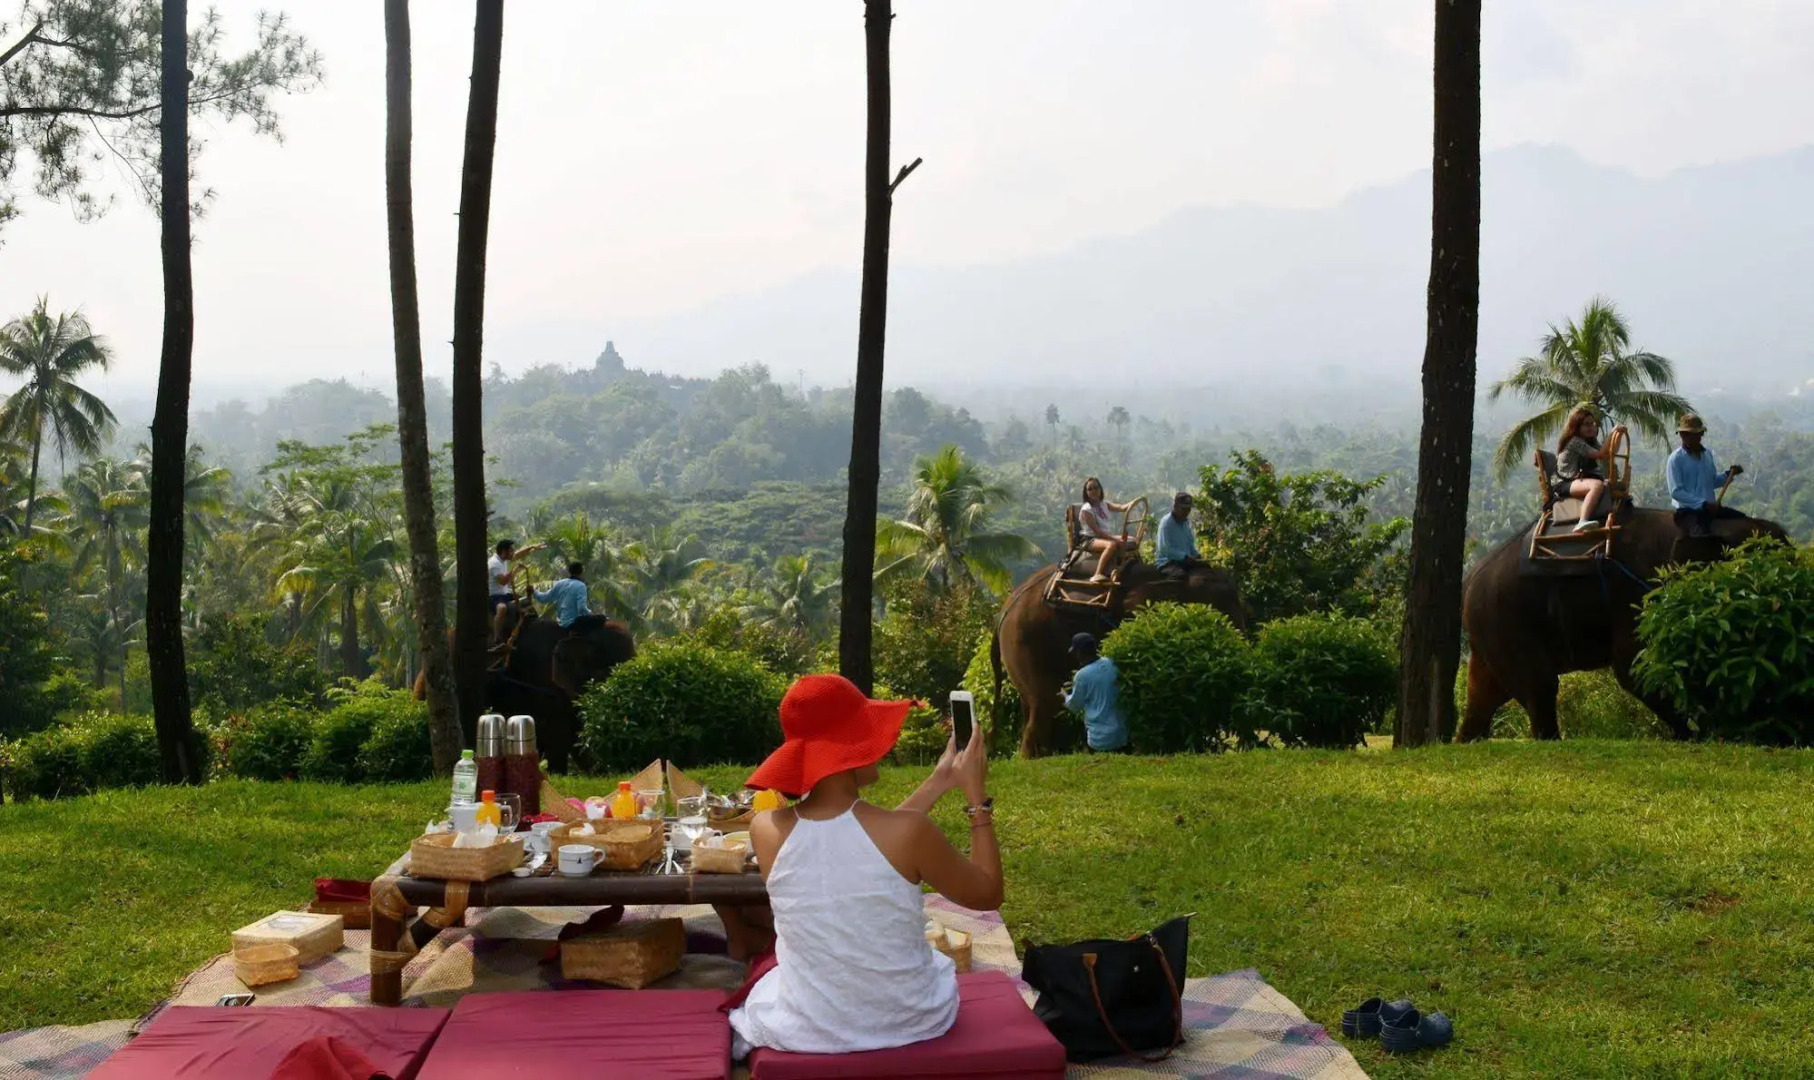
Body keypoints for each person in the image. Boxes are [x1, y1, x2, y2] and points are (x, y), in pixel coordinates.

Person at [722, 674, 1001, 1059]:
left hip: (808, 1025)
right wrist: (977, 797)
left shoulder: (765, 830)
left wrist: (939, 781)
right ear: (852, 746)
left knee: (773, 977)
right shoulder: (908, 834)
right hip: (912, 1020)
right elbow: (987, 892)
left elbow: (864, 846)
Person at [1667, 413, 1746, 538]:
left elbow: (1712, 482)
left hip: (1710, 509)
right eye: (1684, 434)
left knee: (1742, 520)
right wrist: (1703, 504)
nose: (1685, 437)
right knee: (1702, 539)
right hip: (1688, 511)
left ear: (1700, 435)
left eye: (1696, 434)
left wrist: (1728, 475)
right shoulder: (1675, 459)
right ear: (1682, 435)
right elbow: (1676, 492)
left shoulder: (1707, 455)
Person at [1553, 407, 1626, 533]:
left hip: (1576, 480)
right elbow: (1600, 455)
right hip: (1564, 483)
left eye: (1592, 423)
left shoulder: (1591, 441)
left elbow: (1609, 453)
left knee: (1607, 484)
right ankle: (1582, 521)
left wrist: (1617, 436)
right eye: (1586, 424)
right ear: (1577, 427)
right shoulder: (1575, 442)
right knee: (1597, 485)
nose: (1591, 427)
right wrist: (1612, 433)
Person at [1060, 633, 1129, 753]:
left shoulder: (1082, 675)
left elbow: (1075, 706)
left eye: (1075, 652)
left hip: (1100, 740)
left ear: (1080, 652)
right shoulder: (1111, 663)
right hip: (1122, 736)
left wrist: (1065, 696)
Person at [1077, 477, 1134, 583]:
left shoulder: (1104, 504)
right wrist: (1115, 540)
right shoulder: (1086, 509)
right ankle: (1097, 573)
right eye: (1090, 489)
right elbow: (1097, 532)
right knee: (1111, 545)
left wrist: (1132, 503)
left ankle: (1119, 565)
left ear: (1100, 489)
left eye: (1096, 487)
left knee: (1131, 539)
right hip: (1090, 539)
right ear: (1086, 492)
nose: (1093, 491)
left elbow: (1121, 507)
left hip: (1102, 536)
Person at [487, 538, 545, 642]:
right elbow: (503, 581)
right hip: (494, 596)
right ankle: (497, 637)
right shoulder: (494, 563)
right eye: (511, 551)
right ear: (504, 552)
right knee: (502, 609)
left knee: (525, 600)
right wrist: (514, 571)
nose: (513, 553)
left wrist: (532, 547)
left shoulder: (503, 559)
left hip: (505, 594)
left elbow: (519, 554)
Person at [1153, 491, 1202, 579]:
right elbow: (1165, 549)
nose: (1186, 512)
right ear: (1175, 506)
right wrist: (1184, 557)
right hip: (1167, 563)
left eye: (1188, 509)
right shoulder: (1166, 523)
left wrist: (1198, 556)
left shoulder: (1186, 523)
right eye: (1183, 509)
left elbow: (1191, 545)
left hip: (1185, 562)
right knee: (1181, 577)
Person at [531, 561, 590, 629]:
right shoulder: (581, 586)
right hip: (575, 624)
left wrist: (534, 591)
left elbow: (544, 598)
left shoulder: (560, 583)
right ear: (581, 573)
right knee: (601, 618)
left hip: (561, 623)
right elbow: (582, 608)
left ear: (569, 571)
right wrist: (591, 614)